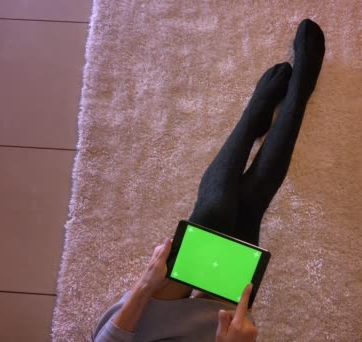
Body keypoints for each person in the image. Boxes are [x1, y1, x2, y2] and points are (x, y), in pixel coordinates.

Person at [93, 18, 325, 342]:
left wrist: (146, 282)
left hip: (141, 331)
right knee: (249, 206)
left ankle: (254, 116)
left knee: (215, 212)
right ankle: (298, 92)